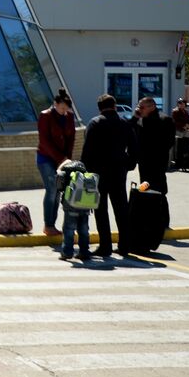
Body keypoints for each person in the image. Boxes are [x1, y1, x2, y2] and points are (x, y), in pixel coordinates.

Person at [81, 94, 138, 258]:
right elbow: (134, 149)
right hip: (119, 172)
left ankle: (105, 246)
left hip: (99, 173)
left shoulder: (95, 123)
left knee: (101, 210)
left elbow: (87, 151)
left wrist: (85, 172)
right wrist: (129, 165)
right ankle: (125, 245)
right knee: (121, 209)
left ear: (99, 108)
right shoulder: (125, 124)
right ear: (115, 106)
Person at [35, 89, 75, 237]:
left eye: (67, 109)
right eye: (62, 108)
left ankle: (52, 224)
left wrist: (68, 159)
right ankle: (48, 225)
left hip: (62, 159)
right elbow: (44, 141)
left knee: (58, 191)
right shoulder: (45, 116)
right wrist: (61, 158)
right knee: (51, 189)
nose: (64, 111)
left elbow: (71, 139)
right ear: (55, 104)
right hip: (46, 158)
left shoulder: (69, 116)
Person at [54, 159, 93, 263]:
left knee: (68, 230)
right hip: (85, 207)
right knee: (84, 231)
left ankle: (67, 252)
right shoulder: (85, 172)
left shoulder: (65, 172)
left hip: (70, 206)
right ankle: (84, 252)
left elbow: (58, 186)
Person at [134, 97, 174, 196]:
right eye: (138, 106)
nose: (139, 109)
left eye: (142, 107)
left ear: (152, 107)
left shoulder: (165, 120)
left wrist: (155, 154)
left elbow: (169, 142)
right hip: (143, 163)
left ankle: (160, 210)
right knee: (144, 191)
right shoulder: (140, 120)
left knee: (159, 193)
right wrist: (135, 118)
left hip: (157, 163)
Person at [171, 98, 189, 170]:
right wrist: (183, 125)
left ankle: (184, 163)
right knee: (179, 147)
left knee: (185, 147)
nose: (181, 104)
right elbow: (175, 121)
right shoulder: (175, 111)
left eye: (182, 103)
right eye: (179, 103)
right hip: (179, 130)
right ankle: (178, 164)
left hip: (186, 130)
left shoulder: (186, 112)